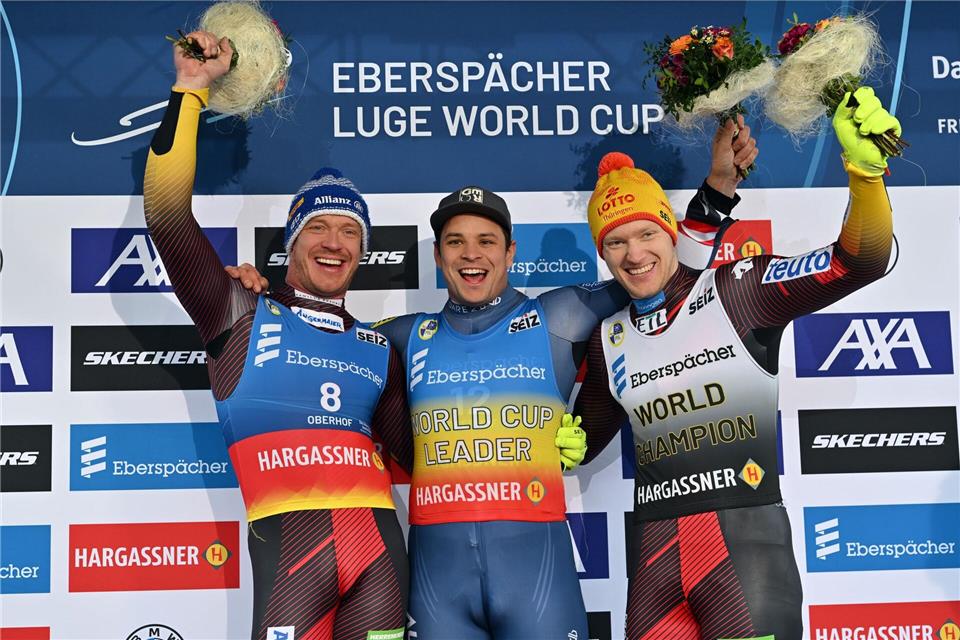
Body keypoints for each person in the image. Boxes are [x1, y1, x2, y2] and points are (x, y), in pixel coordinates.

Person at [231, 121, 758, 640]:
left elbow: (657, 275)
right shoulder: (400, 337)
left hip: (539, 582)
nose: (471, 254)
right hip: (438, 589)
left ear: (510, 253)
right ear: (438, 257)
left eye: (487, 240)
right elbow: (321, 340)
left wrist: (716, 193)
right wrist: (260, 302)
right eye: (455, 242)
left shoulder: (560, 316)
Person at [574, 87, 899, 640]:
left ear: (670, 231)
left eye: (647, 233)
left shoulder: (739, 290)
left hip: (745, 557)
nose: (634, 254)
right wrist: (561, 440)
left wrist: (865, 176)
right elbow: (583, 441)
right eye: (615, 243)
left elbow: (858, 262)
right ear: (602, 254)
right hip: (653, 570)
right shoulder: (610, 337)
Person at [144, 31, 412, 640]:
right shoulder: (237, 310)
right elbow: (166, 214)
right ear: (292, 242)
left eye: (350, 231)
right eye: (317, 227)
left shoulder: (378, 348)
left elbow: (423, 458)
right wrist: (190, 88)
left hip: (381, 559)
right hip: (293, 559)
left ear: (363, 250)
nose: (334, 242)